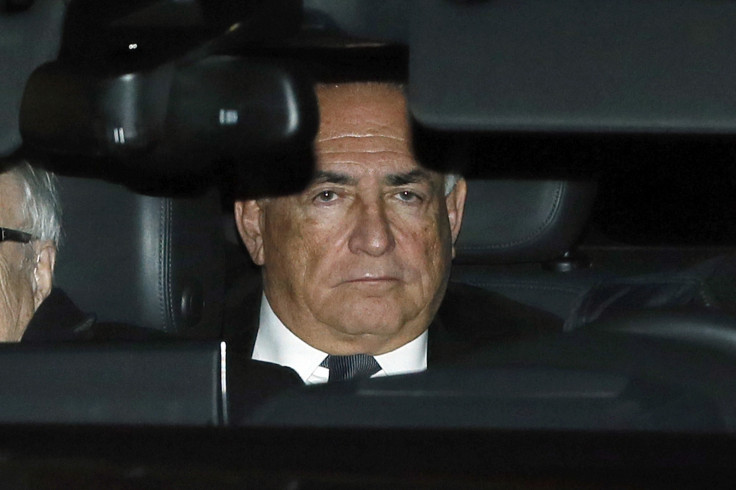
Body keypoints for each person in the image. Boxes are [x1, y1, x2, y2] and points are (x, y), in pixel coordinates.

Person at [225, 82, 561, 387]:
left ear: (452, 214)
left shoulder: (551, 375)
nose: (375, 240)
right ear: (255, 222)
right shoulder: (180, 370)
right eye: (327, 196)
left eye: (406, 196)